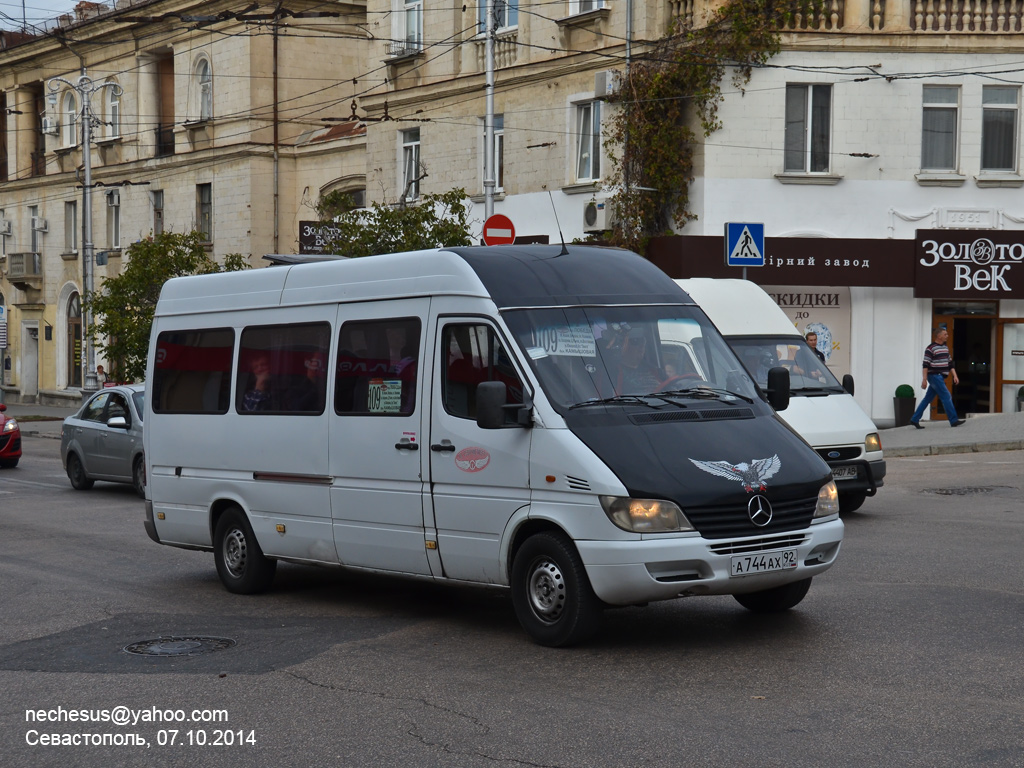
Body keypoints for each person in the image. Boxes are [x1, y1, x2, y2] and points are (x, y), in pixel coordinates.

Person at [910, 327, 964, 429]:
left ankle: (914, 419)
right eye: (945, 334)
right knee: (946, 396)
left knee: (927, 399)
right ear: (939, 336)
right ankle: (953, 420)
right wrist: (924, 379)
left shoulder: (945, 347)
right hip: (934, 376)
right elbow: (925, 365)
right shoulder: (930, 348)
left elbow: (950, 363)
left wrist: (955, 375)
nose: (947, 336)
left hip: (940, 377)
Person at [613, 330, 662, 395]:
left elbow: (670, 386)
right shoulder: (613, 372)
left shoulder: (654, 370)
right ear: (624, 346)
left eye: (643, 342)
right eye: (635, 341)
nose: (641, 346)